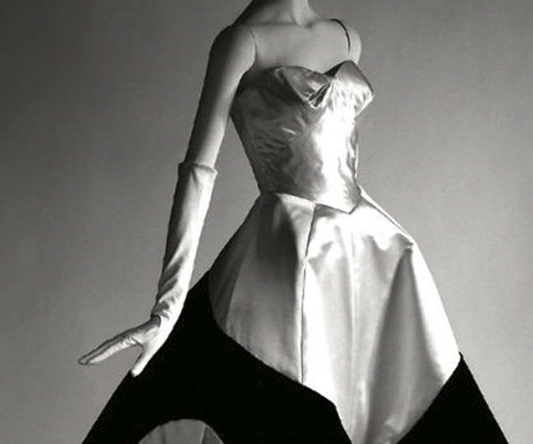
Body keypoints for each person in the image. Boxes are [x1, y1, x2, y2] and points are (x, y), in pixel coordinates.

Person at [78, 1, 508, 442]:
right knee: (296, 399)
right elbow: (197, 173)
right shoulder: (240, 44)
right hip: (290, 256)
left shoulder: (346, 38)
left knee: (416, 401)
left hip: (369, 249)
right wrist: (167, 309)